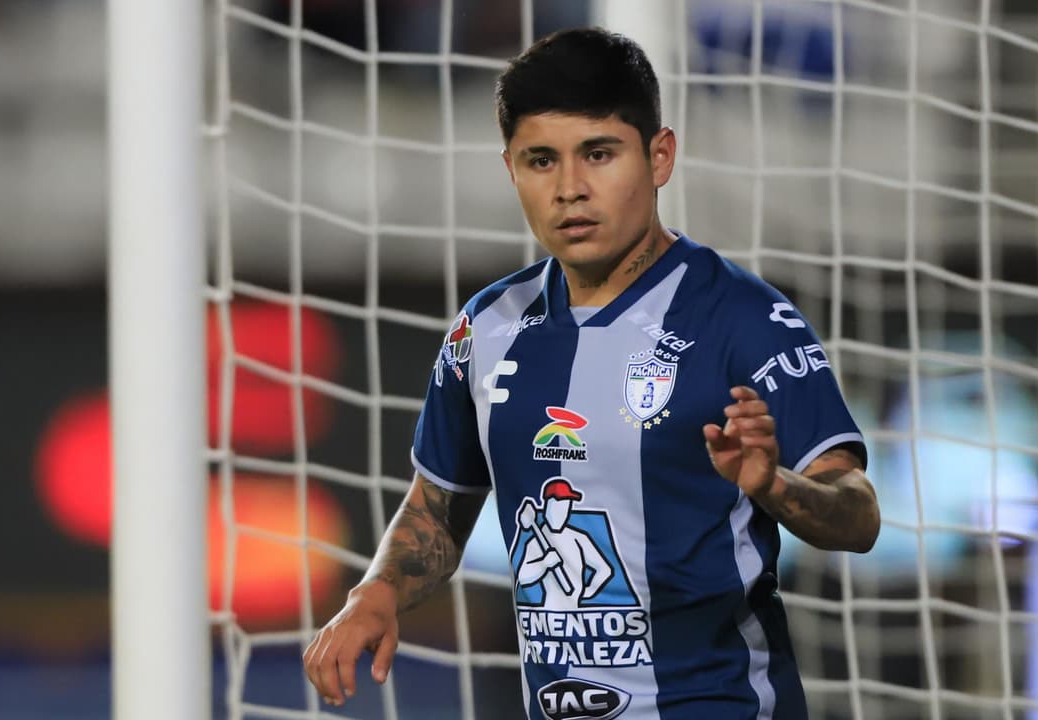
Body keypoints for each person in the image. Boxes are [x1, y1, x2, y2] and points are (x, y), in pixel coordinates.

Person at [303, 26, 880, 719]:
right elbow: (438, 506)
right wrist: (376, 592)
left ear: (659, 157)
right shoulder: (484, 329)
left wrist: (773, 484)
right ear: (511, 169)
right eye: (541, 160)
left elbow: (857, 512)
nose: (570, 189)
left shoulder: (744, 319)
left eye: (598, 154)